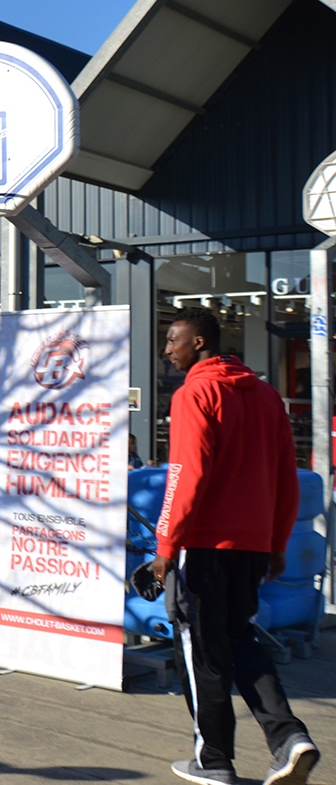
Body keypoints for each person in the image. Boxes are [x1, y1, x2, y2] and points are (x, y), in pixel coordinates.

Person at [151, 307, 320, 785]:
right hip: (251, 546)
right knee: (241, 639)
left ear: (199, 342)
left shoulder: (195, 393)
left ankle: (214, 760)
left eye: (172, 339)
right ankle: (288, 738)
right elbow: (287, 477)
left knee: (200, 649)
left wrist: (167, 544)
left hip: (204, 545)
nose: (167, 349)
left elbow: (185, 475)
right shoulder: (268, 397)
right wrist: (276, 543)